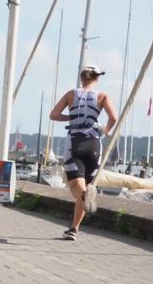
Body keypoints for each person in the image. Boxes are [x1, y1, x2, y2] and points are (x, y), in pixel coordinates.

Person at [49, 64, 118, 240]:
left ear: (82, 78)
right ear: (97, 78)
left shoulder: (71, 94)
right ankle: (74, 229)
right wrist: (105, 131)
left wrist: (71, 117)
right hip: (94, 143)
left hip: (75, 142)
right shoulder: (102, 96)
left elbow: (54, 115)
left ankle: (85, 197)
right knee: (86, 186)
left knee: (76, 187)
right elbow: (114, 117)